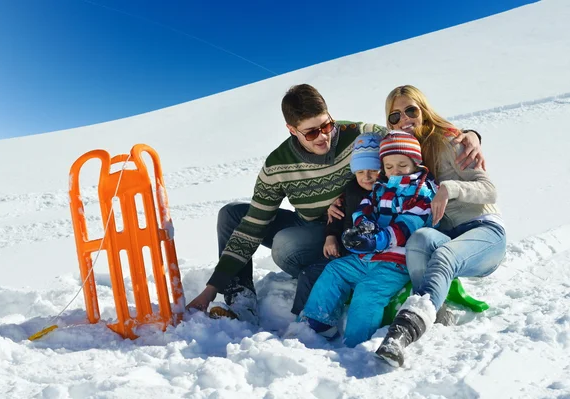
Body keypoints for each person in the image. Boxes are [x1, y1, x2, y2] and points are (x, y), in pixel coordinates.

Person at [186, 83, 482, 323]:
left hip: (349, 226)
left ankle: (329, 271)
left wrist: (468, 135)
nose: (323, 136)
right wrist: (212, 288)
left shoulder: (359, 134)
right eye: (311, 132)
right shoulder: (278, 165)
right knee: (232, 215)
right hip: (310, 224)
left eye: (326, 125)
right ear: (292, 130)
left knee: (286, 243)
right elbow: (254, 225)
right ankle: (241, 300)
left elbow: (406, 135)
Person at [375, 85, 506, 367]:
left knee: (445, 256)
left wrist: (450, 187)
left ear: (424, 110)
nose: (405, 119)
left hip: (483, 230)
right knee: (420, 239)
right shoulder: (400, 151)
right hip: (446, 234)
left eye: (411, 110)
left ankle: (403, 332)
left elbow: (490, 190)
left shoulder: (450, 141)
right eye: (395, 116)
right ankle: (435, 310)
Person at [300, 131, 438, 347]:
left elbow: (406, 226)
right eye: (389, 167)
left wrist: (377, 240)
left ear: (416, 163)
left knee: (368, 292)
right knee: (335, 270)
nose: (395, 171)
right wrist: (362, 227)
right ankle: (318, 322)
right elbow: (366, 207)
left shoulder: (422, 193)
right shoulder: (382, 187)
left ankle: (356, 343)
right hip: (368, 256)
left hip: (396, 262)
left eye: (402, 165)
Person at [291, 131, 382, 316]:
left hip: (372, 260)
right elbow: (337, 217)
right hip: (345, 254)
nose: (367, 177)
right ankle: (301, 318)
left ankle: (330, 315)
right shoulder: (350, 191)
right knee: (309, 275)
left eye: (373, 170)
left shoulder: (387, 194)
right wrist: (331, 236)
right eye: (361, 172)